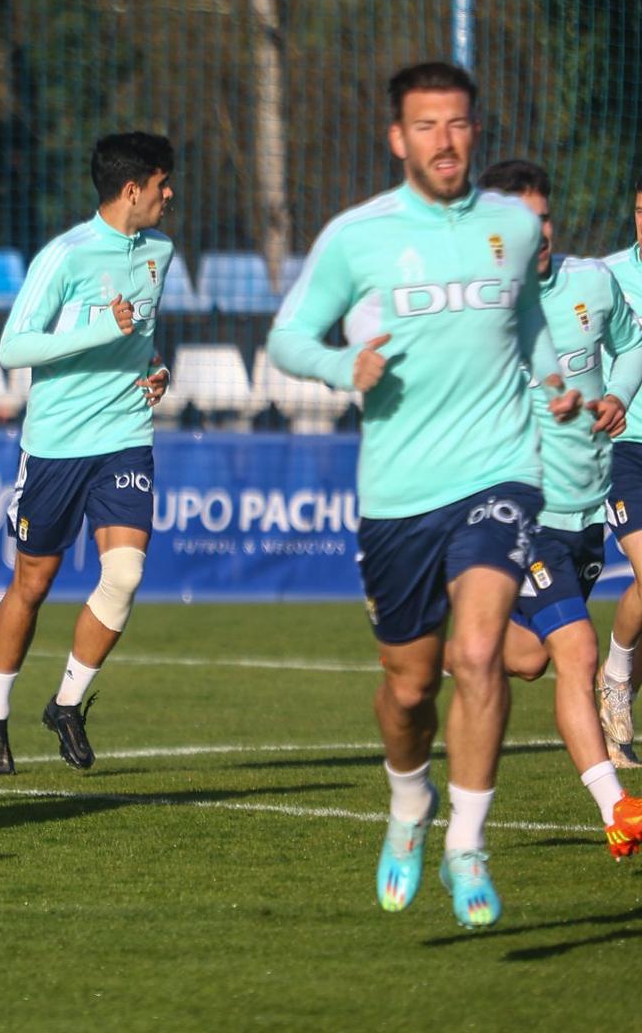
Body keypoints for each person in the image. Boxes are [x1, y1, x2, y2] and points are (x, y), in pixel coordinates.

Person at [267, 62, 584, 929]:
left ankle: (467, 845)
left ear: (475, 130)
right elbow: (288, 337)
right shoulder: (358, 236)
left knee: (478, 655)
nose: (445, 142)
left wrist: (557, 380)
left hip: (499, 471)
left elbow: (527, 321)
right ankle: (410, 802)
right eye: (427, 126)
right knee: (409, 691)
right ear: (397, 137)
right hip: (399, 492)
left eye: (458, 124)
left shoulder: (511, 229)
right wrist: (342, 365)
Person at [0, 131, 175, 775]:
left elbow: (142, 334)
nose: (170, 195)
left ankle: (65, 704)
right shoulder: (65, 256)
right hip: (57, 446)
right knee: (32, 583)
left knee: (125, 576)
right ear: (131, 189)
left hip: (125, 438)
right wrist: (97, 330)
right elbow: (13, 348)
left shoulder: (160, 252)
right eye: (162, 184)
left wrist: (155, 366)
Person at [458, 159, 642, 858]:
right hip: (520, 512)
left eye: (544, 219)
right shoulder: (479, 310)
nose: (536, 233)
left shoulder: (592, 284)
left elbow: (631, 344)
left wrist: (619, 394)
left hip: (585, 512)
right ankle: (616, 806)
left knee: (529, 659)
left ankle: (434, 642)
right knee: (578, 649)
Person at [598, 176, 642, 767]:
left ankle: (618, 688)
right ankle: (614, 678)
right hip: (624, 448)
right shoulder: (606, 275)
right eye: (640, 210)